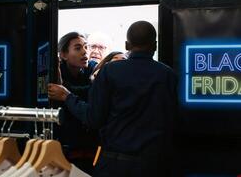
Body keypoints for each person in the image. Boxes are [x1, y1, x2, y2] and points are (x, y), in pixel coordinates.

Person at [49, 21, 178, 177]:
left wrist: (67, 97)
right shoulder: (169, 75)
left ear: (127, 44)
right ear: (155, 45)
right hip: (155, 165)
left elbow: (93, 118)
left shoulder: (110, 71)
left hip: (115, 164)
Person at [55, 32, 99, 175]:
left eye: (86, 47)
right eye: (78, 48)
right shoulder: (55, 71)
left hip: (91, 148)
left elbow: (94, 93)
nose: (85, 52)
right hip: (65, 147)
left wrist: (66, 92)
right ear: (63, 55)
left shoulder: (93, 68)